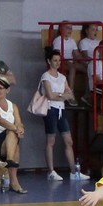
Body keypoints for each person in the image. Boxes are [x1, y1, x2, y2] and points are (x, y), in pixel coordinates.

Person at [37, 50, 79, 182]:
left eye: (59, 60)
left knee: (68, 141)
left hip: (61, 109)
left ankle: (74, 172)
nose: (57, 63)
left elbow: (70, 94)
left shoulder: (62, 77)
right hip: (50, 109)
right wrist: (63, 95)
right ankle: (51, 171)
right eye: (55, 60)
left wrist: (60, 95)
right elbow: (50, 95)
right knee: (51, 141)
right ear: (49, 61)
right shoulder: (46, 76)